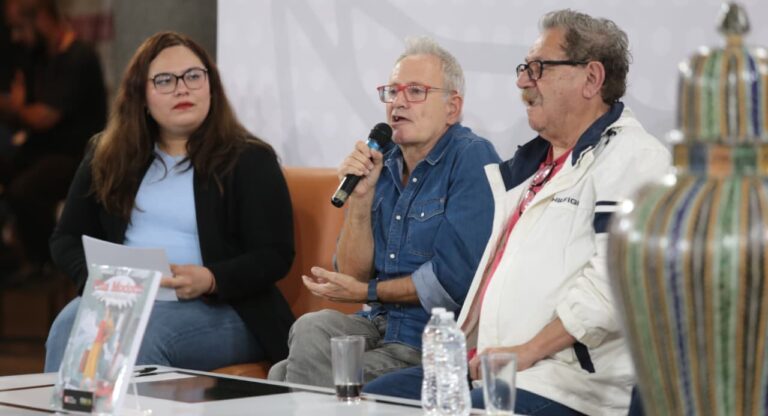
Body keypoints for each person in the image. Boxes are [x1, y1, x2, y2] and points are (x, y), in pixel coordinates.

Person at [363, 9, 672, 416]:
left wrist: (525, 352)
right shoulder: (528, 168)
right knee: (373, 401)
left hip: (568, 386)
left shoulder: (637, 157)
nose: (522, 80)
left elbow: (615, 286)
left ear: (592, 78)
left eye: (538, 67)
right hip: (489, 369)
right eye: (524, 68)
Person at [43, 31, 295, 372]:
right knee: (68, 324)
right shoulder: (108, 155)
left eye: (193, 76)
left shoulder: (250, 159)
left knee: (141, 337)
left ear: (211, 86)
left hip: (227, 309)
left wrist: (211, 278)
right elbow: (66, 238)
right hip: (128, 301)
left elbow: (275, 254)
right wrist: (99, 280)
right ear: (141, 96)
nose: (182, 88)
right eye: (164, 80)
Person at [267, 37, 501, 387]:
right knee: (312, 326)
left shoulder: (471, 158)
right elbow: (351, 274)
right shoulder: (384, 162)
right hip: (376, 325)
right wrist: (361, 200)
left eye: (416, 91)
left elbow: (450, 281)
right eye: (392, 92)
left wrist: (367, 293)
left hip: (430, 342)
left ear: (452, 108)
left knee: (284, 375)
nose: (398, 103)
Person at [0, 0, 107, 275]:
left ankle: (49, 264)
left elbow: (43, 117)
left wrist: (19, 107)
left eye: (19, 28)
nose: (16, 37)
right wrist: (21, 108)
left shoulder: (79, 57)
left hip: (76, 158)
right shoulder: (37, 58)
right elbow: (23, 107)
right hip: (41, 151)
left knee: (25, 190)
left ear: (40, 19)